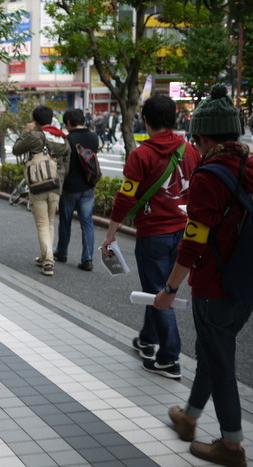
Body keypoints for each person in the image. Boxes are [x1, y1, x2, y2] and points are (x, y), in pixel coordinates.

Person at [154, 84, 253, 467]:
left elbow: (193, 242)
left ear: (203, 136)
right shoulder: (248, 167)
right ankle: (190, 418)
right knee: (214, 353)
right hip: (245, 283)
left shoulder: (209, 175)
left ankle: (231, 448)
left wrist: (169, 288)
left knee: (222, 365)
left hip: (214, 285)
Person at [100, 95, 200, 379]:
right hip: (183, 230)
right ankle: (147, 339)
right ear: (175, 117)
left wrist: (111, 233)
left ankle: (169, 358)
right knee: (157, 288)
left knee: (160, 291)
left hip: (154, 233)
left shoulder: (141, 155)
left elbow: (124, 197)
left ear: (145, 120)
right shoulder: (191, 150)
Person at [12, 105, 71, 277]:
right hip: (55, 185)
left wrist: (25, 131)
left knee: (42, 224)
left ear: (36, 121)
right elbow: (67, 162)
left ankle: (48, 262)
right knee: (50, 222)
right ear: (52, 119)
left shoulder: (36, 136)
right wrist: (59, 179)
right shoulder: (62, 138)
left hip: (38, 185)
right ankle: (47, 255)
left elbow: (16, 149)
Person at [54, 109, 100, 271]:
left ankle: (62, 252)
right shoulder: (94, 137)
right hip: (88, 186)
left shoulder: (67, 139)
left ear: (68, 123)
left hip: (70, 187)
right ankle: (87, 259)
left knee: (65, 221)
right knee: (87, 223)